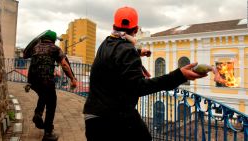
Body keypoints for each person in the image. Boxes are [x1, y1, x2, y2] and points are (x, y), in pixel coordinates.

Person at [83, 6, 207, 141]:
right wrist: (179, 75)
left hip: (93, 116)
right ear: (136, 29)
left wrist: (138, 52)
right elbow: (138, 87)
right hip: (113, 118)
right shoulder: (127, 50)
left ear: (114, 26)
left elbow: (115, 55)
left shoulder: (105, 44)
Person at [25, 30, 77, 140]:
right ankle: (48, 133)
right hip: (47, 81)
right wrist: (72, 78)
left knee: (43, 96)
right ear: (53, 40)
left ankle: (38, 114)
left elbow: (26, 54)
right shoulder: (55, 48)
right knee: (51, 105)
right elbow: (64, 64)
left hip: (33, 81)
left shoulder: (35, 48)